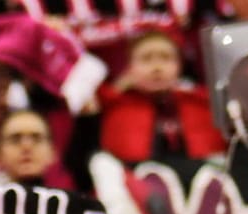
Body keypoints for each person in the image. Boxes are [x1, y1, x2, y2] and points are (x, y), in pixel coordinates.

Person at [95, 31, 226, 164]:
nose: (157, 67)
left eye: (166, 58)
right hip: (135, 176)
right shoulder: (114, 102)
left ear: (180, 65)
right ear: (129, 67)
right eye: (146, 59)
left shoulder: (202, 102)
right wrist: (118, 87)